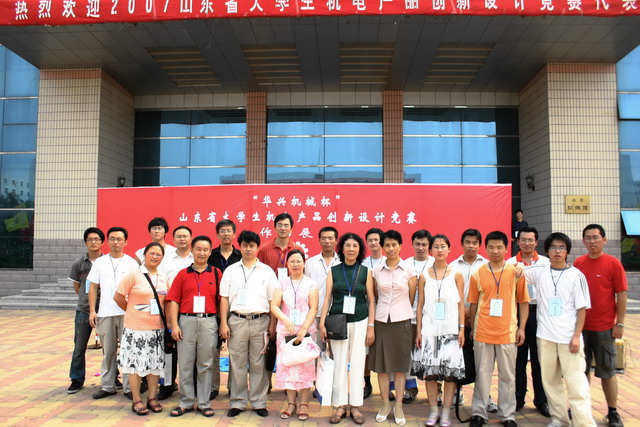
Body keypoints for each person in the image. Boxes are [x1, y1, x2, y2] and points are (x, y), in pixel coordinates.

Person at [524, 232, 596, 427]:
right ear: (547, 251)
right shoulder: (540, 272)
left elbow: (582, 309)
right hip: (545, 337)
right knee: (550, 382)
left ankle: (584, 423)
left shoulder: (576, 276)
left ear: (567, 251)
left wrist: (576, 336)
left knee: (576, 384)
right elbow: (517, 272)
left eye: (561, 248)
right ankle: (559, 419)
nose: (557, 251)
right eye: (553, 247)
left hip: (568, 338)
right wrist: (516, 268)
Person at [468, 231, 529, 427]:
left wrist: (522, 328)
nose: (495, 251)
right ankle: (478, 412)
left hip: (507, 332)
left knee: (507, 376)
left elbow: (523, 302)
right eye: (491, 247)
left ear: (506, 248)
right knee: (482, 375)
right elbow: (473, 303)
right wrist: (472, 328)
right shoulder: (478, 273)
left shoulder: (516, 272)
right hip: (483, 331)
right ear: (486, 248)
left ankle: (507, 415)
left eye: (499, 247)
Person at [219, 230, 279, 418]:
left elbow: (273, 300)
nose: (248, 249)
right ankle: (237, 402)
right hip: (237, 321)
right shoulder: (231, 270)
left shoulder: (266, 271)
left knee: (258, 363)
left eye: (252, 245)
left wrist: (272, 324)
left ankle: (259, 402)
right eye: (245, 245)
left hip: (261, 321)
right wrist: (223, 323)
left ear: (257, 247)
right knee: (237, 363)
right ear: (240, 246)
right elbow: (224, 298)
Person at [574, 224, 628, 427]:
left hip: (604, 328)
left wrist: (619, 323)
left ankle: (613, 412)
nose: (592, 241)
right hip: (581, 328)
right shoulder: (579, 263)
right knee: (581, 371)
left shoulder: (613, 264)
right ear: (583, 241)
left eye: (595, 237)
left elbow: (621, 294)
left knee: (607, 371)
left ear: (604, 240)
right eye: (588, 238)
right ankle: (582, 409)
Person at [320, 232, 375, 425]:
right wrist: (322, 322)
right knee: (340, 364)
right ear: (341, 249)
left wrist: (371, 326)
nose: (351, 249)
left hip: (360, 321)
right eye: (348, 245)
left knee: (358, 363)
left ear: (360, 250)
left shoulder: (365, 271)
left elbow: (371, 300)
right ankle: (340, 405)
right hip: (338, 322)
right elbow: (327, 298)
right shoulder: (334, 271)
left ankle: (355, 405)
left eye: (355, 246)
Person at [166, 235, 221, 417]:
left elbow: (221, 301)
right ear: (192, 250)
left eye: (206, 249)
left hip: (208, 322)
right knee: (186, 363)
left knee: (206, 364)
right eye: (198, 249)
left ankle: (204, 403)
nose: (202, 253)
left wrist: (222, 324)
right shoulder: (183, 274)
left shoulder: (216, 273)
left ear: (210, 252)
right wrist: (175, 325)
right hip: (186, 321)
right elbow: (174, 300)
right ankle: (186, 402)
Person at [415, 234, 465, 427]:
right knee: (431, 373)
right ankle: (433, 410)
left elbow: (461, 305)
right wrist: (419, 331)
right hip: (429, 330)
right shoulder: (424, 275)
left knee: (450, 375)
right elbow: (420, 305)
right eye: (436, 247)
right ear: (431, 251)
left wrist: (461, 329)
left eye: (443, 246)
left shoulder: (456, 274)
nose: (439, 250)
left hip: (451, 330)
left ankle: (445, 412)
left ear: (449, 249)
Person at [114, 242, 170, 416]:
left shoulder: (163, 276)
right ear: (144, 255)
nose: (155, 257)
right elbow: (118, 296)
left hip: (156, 329)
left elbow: (166, 302)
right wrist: (131, 311)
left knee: (154, 364)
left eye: (158, 254)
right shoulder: (133, 274)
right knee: (135, 365)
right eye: (152, 253)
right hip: (135, 329)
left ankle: (152, 398)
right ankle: (136, 399)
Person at [369, 230, 417, 426]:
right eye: (387, 245)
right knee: (381, 367)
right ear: (382, 247)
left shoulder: (409, 270)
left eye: (394, 245)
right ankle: (385, 404)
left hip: (402, 321)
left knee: (399, 367)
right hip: (381, 322)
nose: (390, 249)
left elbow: (411, 297)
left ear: (400, 246)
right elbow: (375, 296)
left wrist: (399, 311)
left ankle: (398, 405)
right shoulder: (376, 271)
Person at [87, 226, 139, 399]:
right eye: (112, 239)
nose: (116, 242)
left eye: (119, 239)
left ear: (126, 242)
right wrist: (92, 310)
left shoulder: (132, 263)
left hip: (127, 313)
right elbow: (93, 287)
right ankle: (108, 385)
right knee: (108, 351)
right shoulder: (99, 263)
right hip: (105, 313)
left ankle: (129, 387)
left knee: (128, 351)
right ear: (107, 242)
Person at [271, 249, 319, 421]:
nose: (296, 264)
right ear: (287, 264)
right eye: (292, 261)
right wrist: (285, 319)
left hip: (306, 332)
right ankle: (291, 403)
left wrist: (304, 328)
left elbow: (314, 307)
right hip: (286, 331)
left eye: (299, 261)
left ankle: (304, 404)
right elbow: (274, 305)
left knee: (305, 366)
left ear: (304, 263)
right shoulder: (281, 283)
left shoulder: (311, 283)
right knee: (288, 366)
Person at [506, 226, 550, 417]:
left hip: (541, 313)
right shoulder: (510, 264)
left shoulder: (546, 263)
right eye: (523, 240)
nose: (526, 243)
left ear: (536, 242)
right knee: (519, 360)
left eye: (530, 240)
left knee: (540, 360)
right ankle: (518, 398)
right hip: (518, 313)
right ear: (518, 242)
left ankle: (542, 400)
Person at [450, 228, 491, 410]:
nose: (471, 246)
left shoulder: (487, 265)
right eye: (468, 242)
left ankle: (485, 396)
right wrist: (464, 312)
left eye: (475, 243)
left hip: (482, 319)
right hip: (458, 319)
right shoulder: (452, 266)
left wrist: (473, 312)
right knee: (457, 357)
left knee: (483, 361)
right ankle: (456, 394)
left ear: (480, 245)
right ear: (462, 244)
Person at [157, 225, 194, 400]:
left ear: (190, 238)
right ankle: (167, 385)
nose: (182, 239)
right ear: (173, 239)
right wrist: (168, 317)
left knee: (190, 350)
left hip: (191, 310)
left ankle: (191, 385)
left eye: (185, 236)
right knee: (168, 350)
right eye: (179, 236)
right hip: (170, 308)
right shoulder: (166, 260)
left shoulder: (196, 257)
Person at [207, 219, 242, 400]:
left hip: (236, 307)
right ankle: (213, 387)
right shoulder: (210, 256)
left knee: (236, 351)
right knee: (213, 350)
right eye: (223, 231)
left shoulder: (241, 255)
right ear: (217, 234)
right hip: (213, 306)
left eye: (229, 231)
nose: (226, 234)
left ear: (234, 234)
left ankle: (233, 387)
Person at [67, 227, 104, 394]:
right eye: (90, 239)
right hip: (83, 310)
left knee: (109, 348)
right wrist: (87, 300)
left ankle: (112, 377)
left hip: (105, 309)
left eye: (96, 239)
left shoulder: (107, 262)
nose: (93, 242)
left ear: (102, 242)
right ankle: (76, 378)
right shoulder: (79, 263)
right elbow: (77, 286)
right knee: (79, 347)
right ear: (85, 242)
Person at [402, 229, 433, 403]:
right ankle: (410, 388)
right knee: (408, 355)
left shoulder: (436, 264)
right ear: (412, 245)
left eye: (424, 244)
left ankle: (436, 390)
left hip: (430, 319)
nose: (421, 248)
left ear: (429, 246)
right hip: (409, 317)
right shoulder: (405, 264)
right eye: (417, 244)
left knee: (432, 354)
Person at [304, 226, 340, 349]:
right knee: (316, 349)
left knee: (336, 351)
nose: (327, 241)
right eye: (324, 238)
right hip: (316, 313)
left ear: (336, 241)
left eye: (330, 238)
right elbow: (306, 289)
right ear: (319, 240)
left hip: (337, 313)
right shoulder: (310, 263)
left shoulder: (342, 261)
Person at [361, 227, 385, 399]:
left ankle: (388, 385)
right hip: (366, 310)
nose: (374, 243)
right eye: (370, 240)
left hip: (385, 311)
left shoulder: (388, 261)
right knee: (366, 349)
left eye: (376, 239)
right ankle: (366, 382)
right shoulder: (363, 263)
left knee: (385, 349)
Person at [257, 212, 304, 280]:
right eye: (280, 225)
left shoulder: (298, 249)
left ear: (291, 229)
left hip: (293, 285)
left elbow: (302, 272)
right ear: (275, 228)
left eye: (286, 225)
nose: (283, 228)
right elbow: (259, 271)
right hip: (271, 285)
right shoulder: (264, 249)